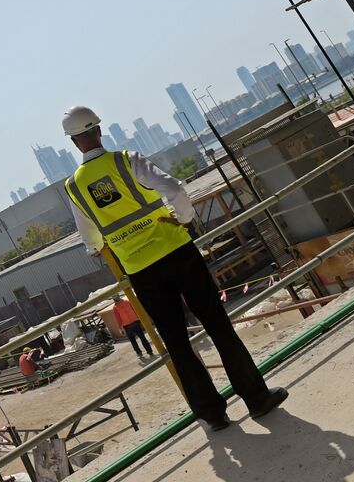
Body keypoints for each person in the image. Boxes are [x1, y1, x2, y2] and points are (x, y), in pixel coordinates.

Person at [61, 106, 287, 432]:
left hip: (140, 269)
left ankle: (212, 415)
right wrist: (181, 218)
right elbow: (175, 189)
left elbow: (91, 242)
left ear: (74, 142)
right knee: (217, 324)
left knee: (177, 343)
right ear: (99, 131)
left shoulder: (74, 187)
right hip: (176, 250)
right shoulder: (126, 160)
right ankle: (257, 399)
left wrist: (107, 244)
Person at [111, 295, 154, 360]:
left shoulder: (127, 302)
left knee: (142, 337)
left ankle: (150, 351)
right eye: (113, 297)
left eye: (115, 296)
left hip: (135, 322)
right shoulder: (115, 307)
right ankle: (139, 352)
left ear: (118, 296)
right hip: (127, 326)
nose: (115, 298)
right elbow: (118, 318)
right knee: (133, 341)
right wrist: (120, 328)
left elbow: (135, 310)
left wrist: (140, 319)